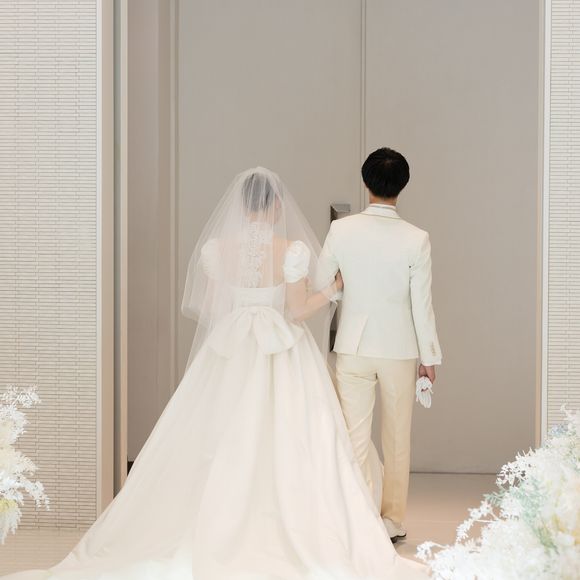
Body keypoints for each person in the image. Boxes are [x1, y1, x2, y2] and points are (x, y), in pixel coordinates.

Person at [2, 167, 428, 580]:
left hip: (230, 342)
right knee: (291, 433)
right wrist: (333, 289)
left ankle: (215, 516)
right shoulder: (291, 251)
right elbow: (297, 311)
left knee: (215, 429)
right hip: (279, 344)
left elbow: (211, 307)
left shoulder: (217, 250)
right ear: (276, 205)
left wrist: (244, 310)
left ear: (242, 206)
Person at [317, 148, 442, 544]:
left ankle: (356, 519)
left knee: (354, 436)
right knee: (397, 438)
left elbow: (321, 281)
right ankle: (391, 521)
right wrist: (429, 357)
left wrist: (342, 290)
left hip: (353, 345)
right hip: (400, 349)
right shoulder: (417, 239)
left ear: (365, 182)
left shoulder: (342, 231)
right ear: (402, 186)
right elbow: (421, 305)